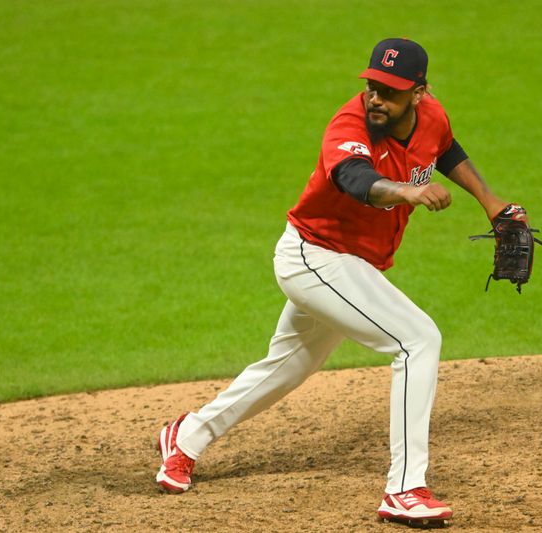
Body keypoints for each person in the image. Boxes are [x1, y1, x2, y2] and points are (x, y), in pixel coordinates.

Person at [156, 38, 515, 528]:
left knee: (288, 366)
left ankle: (187, 436)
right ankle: (405, 488)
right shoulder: (348, 126)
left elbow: (445, 148)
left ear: (420, 94)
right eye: (372, 87)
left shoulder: (432, 116)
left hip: (352, 265)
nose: (376, 99)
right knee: (417, 340)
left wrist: (489, 201)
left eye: (390, 92)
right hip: (314, 257)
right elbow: (354, 179)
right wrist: (407, 191)